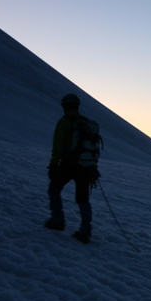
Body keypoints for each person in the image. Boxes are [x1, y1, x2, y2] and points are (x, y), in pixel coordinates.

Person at [44, 93, 98, 243]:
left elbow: (58, 146)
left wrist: (54, 164)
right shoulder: (86, 123)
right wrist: (93, 167)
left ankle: (57, 220)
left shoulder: (65, 122)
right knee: (83, 198)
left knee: (54, 188)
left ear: (65, 106)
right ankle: (85, 230)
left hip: (69, 164)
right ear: (77, 105)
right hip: (86, 167)